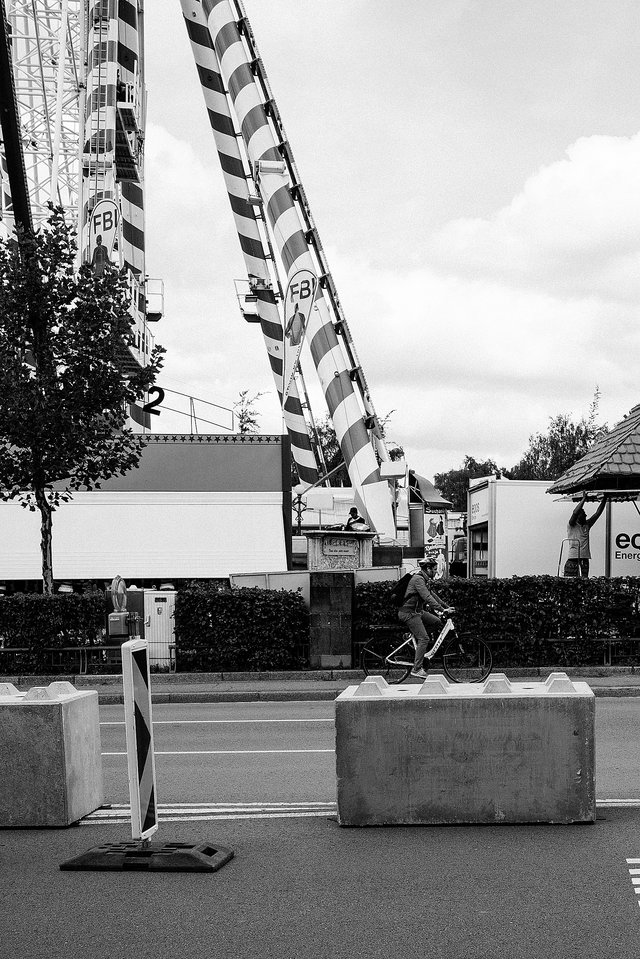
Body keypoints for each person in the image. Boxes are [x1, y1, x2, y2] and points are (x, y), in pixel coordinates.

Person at [398, 556, 450, 679]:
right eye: (434, 569)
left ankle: (414, 638)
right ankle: (416, 669)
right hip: (409, 613)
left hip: (417, 611)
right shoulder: (418, 580)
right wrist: (442, 610)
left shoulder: (424, 579)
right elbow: (427, 597)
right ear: (428, 568)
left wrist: (446, 606)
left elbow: (433, 595)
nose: (436, 571)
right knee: (424, 638)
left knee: (436, 622)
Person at [564, 492, 607, 578]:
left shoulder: (587, 525)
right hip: (573, 558)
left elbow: (597, 514)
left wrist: (605, 499)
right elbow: (575, 512)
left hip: (584, 559)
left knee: (584, 581)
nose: (586, 515)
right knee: (570, 581)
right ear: (578, 517)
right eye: (583, 514)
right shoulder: (572, 525)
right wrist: (583, 499)